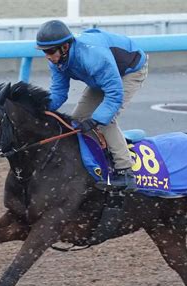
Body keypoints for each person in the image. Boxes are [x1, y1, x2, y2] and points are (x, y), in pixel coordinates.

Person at [36, 20, 148, 191]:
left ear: (65, 47)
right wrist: (41, 109)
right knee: (77, 120)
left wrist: (96, 120)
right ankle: (96, 160)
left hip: (130, 71)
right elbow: (59, 93)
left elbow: (114, 95)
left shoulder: (93, 57)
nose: (48, 56)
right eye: (44, 52)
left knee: (105, 121)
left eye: (50, 51)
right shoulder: (56, 61)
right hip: (103, 77)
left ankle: (126, 171)